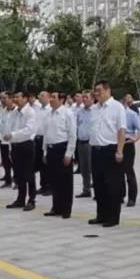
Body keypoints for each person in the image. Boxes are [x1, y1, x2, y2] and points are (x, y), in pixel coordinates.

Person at [88, 80, 127, 228]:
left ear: (107, 90)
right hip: (96, 150)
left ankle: (113, 217)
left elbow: (121, 130)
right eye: (95, 91)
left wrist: (120, 150)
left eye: (98, 90)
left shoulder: (117, 107)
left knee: (112, 185)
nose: (96, 94)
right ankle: (101, 214)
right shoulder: (94, 108)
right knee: (99, 185)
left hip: (110, 150)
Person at [43, 91, 77, 219]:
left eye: (54, 97)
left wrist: (69, 153)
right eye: (50, 97)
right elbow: (47, 135)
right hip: (51, 149)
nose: (51, 99)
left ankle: (66, 209)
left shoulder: (67, 113)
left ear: (62, 100)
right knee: (54, 181)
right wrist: (45, 151)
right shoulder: (49, 114)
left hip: (62, 148)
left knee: (65, 182)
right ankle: (56, 207)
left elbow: (72, 134)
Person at [4, 91, 37, 211]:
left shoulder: (30, 112)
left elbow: (29, 130)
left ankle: (31, 200)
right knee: (19, 174)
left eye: (18, 97)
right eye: (14, 97)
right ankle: (20, 199)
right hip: (15, 146)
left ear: (25, 98)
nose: (15, 99)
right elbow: (10, 127)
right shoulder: (14, 112)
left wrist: (12, 135)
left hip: (26, 145)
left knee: (29, 174)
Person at [122, 94, 140, 207]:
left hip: (127, 143)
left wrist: (135, 138)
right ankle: (120, 195)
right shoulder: (116, 114)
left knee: (129, 171)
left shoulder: (131, 114)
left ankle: (132, 197)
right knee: (117, 172)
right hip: (116, 143)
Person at [76, 90, 94, 198]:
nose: (84, 99)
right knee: (83, 168)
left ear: (92, 99)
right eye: (84, 97)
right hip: (81, 142)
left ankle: (98, 190)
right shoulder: (80, 112)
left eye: (87, 97)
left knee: (93, 167)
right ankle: (86, 189)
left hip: (91, 143)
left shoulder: (95, 111)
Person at [34, 90, 52, 196]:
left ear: (48, 97)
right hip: (38, 139)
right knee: (41, 164)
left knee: (47, 164)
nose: (39, 97)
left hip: (47, 139)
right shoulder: (37, 109)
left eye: (41, 96)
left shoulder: (51, 109)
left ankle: (50, 186)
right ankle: (43, 185)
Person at [0, 92, 15, 188]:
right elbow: (0, 124)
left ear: (11, 98)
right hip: (3, 140)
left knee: (14, 161)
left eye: (5, 98)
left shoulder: (16, 111)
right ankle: (8, 179)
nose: (2, 100)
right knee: (5, 161)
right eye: (1, 98)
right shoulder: (3, 111)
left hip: (14, 140)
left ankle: (17, 180)